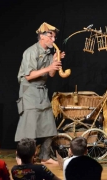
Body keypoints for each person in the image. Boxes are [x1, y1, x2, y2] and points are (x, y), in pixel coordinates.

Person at [15, 22, 65, 165]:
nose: (53, 39)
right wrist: (49, 66)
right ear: (42, 37)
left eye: (54, 37)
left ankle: (45, 156)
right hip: (29, 91)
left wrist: (55, 61)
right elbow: (29, 76)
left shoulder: (48, 53)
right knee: (29, 128)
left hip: (42, 92)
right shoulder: (30, 52)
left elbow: (51, 74)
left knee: (49, 126)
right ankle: (21, 157)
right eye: (51, 36)